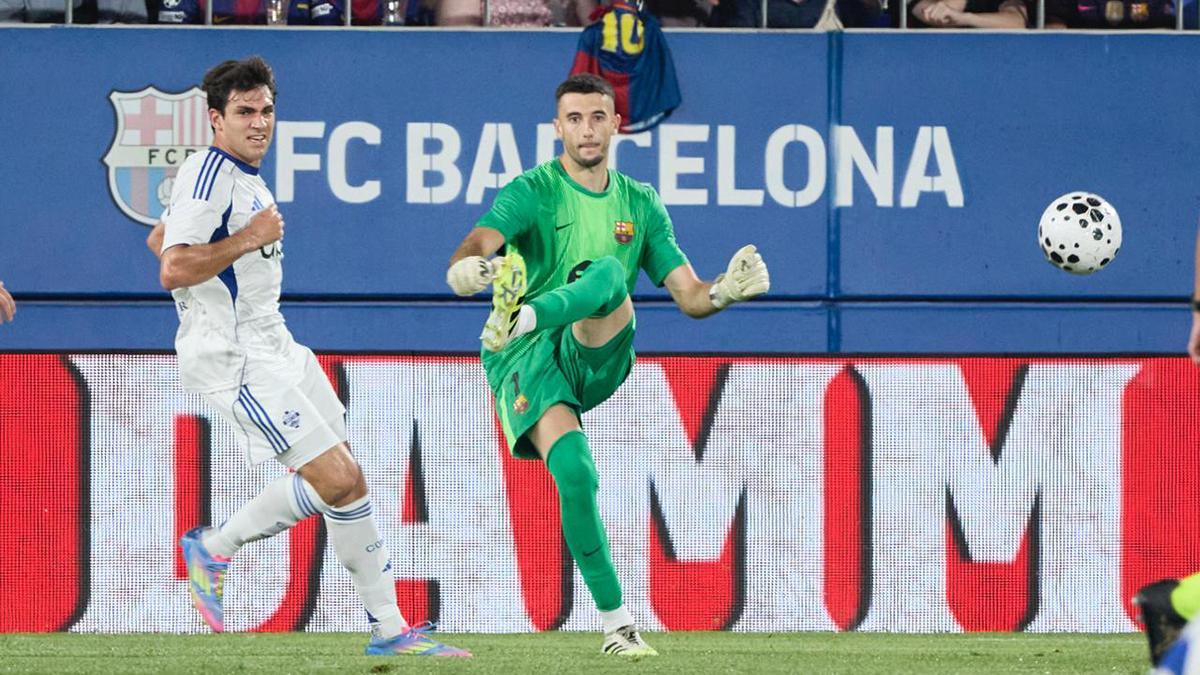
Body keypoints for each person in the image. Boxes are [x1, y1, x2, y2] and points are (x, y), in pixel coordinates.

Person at [145, 56, 469, 658]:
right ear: (216, 119)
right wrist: (246, 241)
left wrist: (226, 256)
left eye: (267, 110)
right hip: (237, 355)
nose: (259, 122)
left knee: (346, 480)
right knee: (337, 479)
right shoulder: (210, 175)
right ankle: (218, 549)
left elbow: (159, 237)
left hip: (275, 341)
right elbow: (173, 265)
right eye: (244, 111)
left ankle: (388, 629)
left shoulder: (238, 175)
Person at [444, 73, 770, 656]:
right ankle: (619, 626)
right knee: (575, 473)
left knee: (608, 275)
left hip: (595, 345)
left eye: (598, 117)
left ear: (617, 124)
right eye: (574, 119)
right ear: (557, 128)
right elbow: (478, 242)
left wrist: (725, 291)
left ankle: (524, 314)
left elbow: (691, 297)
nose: (587, 130)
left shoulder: (639, 203)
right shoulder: (533, 190)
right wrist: (468, 269)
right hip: (524, 359)